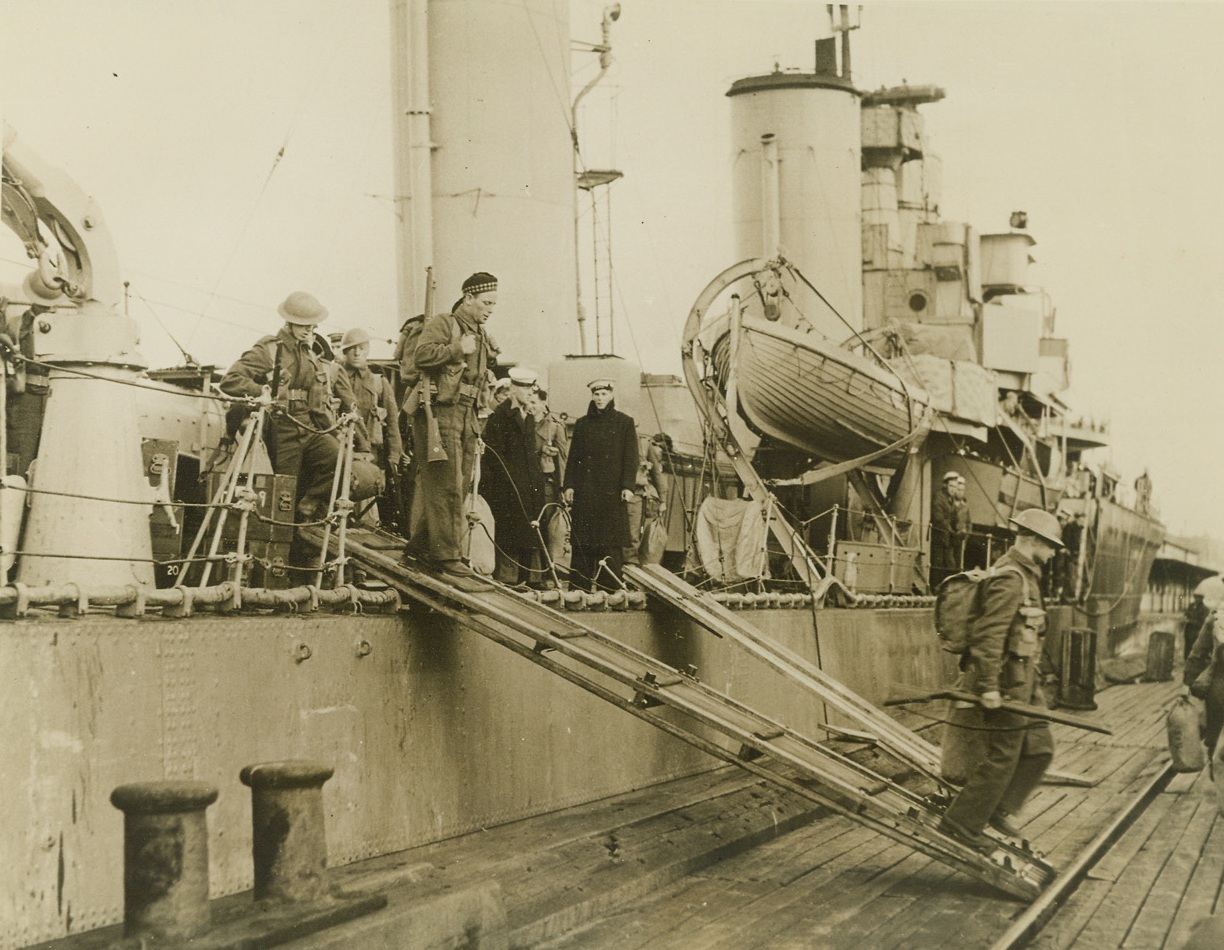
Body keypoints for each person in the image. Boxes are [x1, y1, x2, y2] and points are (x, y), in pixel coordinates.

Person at [938, 506, 1063, 852]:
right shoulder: (1010, 577)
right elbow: (989, 637)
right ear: (1034, 540)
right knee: (1003, 755)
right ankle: (962, 822)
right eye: (1050, 545)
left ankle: (996, 808)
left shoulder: (1028, 574)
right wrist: (990, 687)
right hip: (1005, 681)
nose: (1053, 553)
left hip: (1025, 680)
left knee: (1039, 748)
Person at [219, 291, 369, 522]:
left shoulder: (308, 352)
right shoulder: (269, 349)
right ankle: (290, 545)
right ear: (289, 323)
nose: (310, 330)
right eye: (304, 325)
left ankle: (310, 501)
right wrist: (262, 391)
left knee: (340, 461)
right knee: (285, 494)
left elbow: (316, 399)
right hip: (283, 430)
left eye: (312, 326)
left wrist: (330, 431)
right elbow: (231, 381)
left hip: (310, 425)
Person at [401, 272, 499, 591]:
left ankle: (419, 549)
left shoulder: (480, 333)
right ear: (468, 298)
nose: (490, 309)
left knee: (461, 482)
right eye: (486, 302)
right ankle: (446, 556)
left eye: (493, 304)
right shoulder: (445, 323)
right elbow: (421, 356)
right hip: (440, 412)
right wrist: (458, 348)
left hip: (466, 414)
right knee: (447, 483)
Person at [563, 378, 639, 592]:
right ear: (592, 396)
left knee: (609, 544)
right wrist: (569, 485)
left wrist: (627, 486)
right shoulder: (582, 424)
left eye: (604, 394)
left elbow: (630, 458)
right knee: (583, 543)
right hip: (586, 493)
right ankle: (579, 590)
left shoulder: (624, 422)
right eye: (596, 394)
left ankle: (611, 589)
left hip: (611, 494)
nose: (600, 398)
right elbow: (573, 458)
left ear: (612, 395)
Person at [479, 367, 546, 586]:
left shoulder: (528, 417)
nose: (529, 392)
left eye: (531, 388)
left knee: (529, 531)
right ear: (514, 389)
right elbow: (495, 456)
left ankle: (527, 578)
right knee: (510, 533)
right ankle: (507, 579)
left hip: (528, 485)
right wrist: (506, 484)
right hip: (508, 487)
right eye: (525, 387)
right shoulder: (500, 417)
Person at [337, 326, 407, 525]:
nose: (357, 352)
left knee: (365, 510)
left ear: (368, 349)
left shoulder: (378, 382)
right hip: (340, 449)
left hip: (370, 454)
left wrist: (393, 458)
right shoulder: (334, 378)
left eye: (361, 347)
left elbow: (392, 423)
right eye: (352, 348)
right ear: (344, 351)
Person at [529, 387, 570, 586]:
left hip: (546, 485)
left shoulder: (555, 427)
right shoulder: (524, 421)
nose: (531, 406)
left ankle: (546, 573)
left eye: (534, 403)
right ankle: (533, 574)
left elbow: (563, 460)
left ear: (543, 403)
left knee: (545, 528)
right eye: (529, 402)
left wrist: (562, 488)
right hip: (527, 482)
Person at [624, 433, 669, 567]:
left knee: (632, 537)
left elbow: (656, 474)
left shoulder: (644, 445)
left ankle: (628, 571)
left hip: (635, 495)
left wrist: (663, 501)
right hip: (612, 495)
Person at [1185, 609, 1224, 755]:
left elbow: (1197, 655)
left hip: (1218, 689)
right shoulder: (1214, 619)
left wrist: (1187, 683)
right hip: (1219, 689)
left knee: (1214, 743)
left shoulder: (1216, 618)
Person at [930, 471, 969, 588]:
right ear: (945, 485)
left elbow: (954, 519)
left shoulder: (950, 500)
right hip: (939, 537)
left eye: (955, 487)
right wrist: (952, 531)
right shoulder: (939, 498)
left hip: (947, 539)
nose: (953, 489)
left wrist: (958, 531)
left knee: (951, 566)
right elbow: (938, 518)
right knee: (938, 566)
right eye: (951, 486)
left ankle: (945, 589)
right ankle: (935, 589)